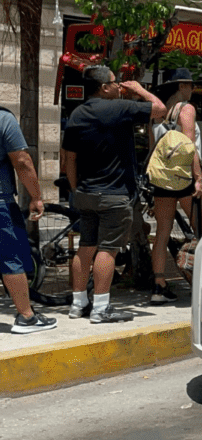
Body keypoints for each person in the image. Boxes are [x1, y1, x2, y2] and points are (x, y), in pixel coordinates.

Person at [62, 66, 166, 324]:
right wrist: (140, 90)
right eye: (116, 82)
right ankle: (100, 308)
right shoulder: (119, 108)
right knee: (107, 250)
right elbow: (161, 110)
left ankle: (78, 304)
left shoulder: (76, 114)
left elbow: (69, 159)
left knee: (85, 247)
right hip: (113, 194)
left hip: (85, 193)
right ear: (104, 87)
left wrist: (76, 190)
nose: (120, 86)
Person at [149, 68, 202, 304]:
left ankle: (159, 287)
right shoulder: (186, 109)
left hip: (162, 180)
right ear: (181, 86)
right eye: (190, 85)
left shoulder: (157, 113)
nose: (192, 90)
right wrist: (198, 177)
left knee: (161, 232)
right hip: (185, 179)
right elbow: (189, 144)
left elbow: (153, 150)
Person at [1, 107, 55, 334]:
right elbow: (22, 161)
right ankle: (26, 317)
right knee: (9, 257)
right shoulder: (3, 118)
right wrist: (36, 197)